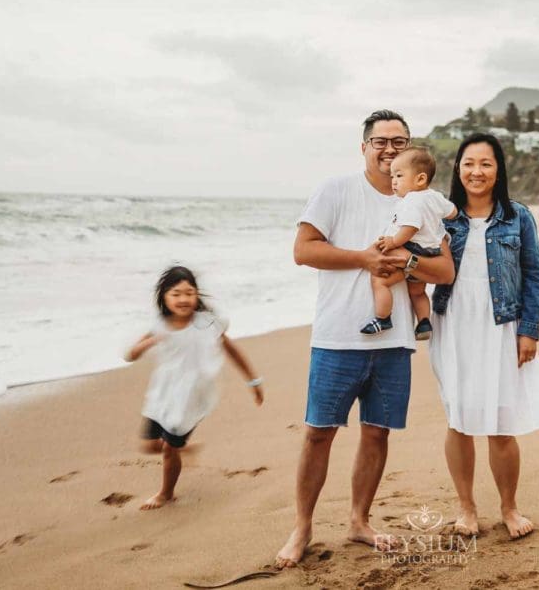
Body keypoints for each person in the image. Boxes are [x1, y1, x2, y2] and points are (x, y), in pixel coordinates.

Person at [275, 110, 456, 568]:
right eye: (380, 141)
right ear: (364, 147)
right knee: (318, 434)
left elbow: (445, 270)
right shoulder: (335, 190)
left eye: (400, 141)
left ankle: (359, 521)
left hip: (395, 341)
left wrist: (404, 265)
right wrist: (362, 258)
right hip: (337, 337)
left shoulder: (423, 199)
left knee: (377, 434)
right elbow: (303, 250)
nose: (390, 149)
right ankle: (302, 528)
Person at [429, 133, 539, 540]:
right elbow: (414, 260)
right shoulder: (442, 217)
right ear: (457, 169)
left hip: (502, 325)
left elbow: (535, 275)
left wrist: (529, 331)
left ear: (498, 169)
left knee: (502, 423)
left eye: (485, 163)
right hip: (452, 323)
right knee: (459, 419)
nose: (476, 172)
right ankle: (466, 508)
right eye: (469, 163)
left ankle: (509, 507)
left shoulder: (517, 216)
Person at [125, 265, 264, 511]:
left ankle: (166, 493)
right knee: (149, 445)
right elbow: (130, 355)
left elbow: (231, 350)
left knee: (169, 447)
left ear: (197, 295)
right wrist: (150, 341)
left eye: (189, 293)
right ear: (164, 297)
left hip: (191, 397)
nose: (183, 299)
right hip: (163, 395)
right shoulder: (161, 325)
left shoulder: (206, 323)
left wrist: (252, 380)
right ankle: (180, 446)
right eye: (176, 293)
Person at [360, 146, 456, 340]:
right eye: (393, 176)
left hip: (412, 247)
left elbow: (410, 227)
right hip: (433, 250)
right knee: (417, 291)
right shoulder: (435, 196)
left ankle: (383, 318)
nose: (393, 182)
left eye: (399, 176)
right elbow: (453, 212)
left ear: (420, 179)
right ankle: (423, 322)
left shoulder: (412, 200)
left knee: (380, 281)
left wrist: (393, 241)